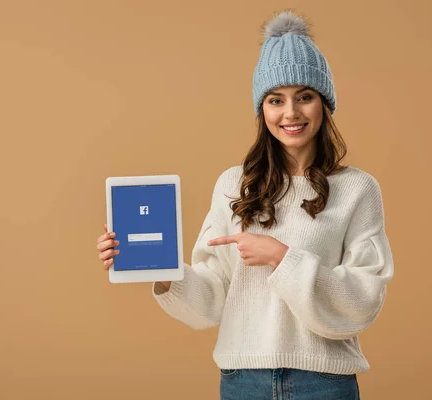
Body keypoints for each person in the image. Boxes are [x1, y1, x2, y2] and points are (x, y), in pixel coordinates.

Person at [97, 9, 394, 400]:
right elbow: (213, 297)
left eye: (304, 96)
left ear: (324, 103)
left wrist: (281, 257)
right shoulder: (232, 185)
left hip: (323, 383)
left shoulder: (357, 189)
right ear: (262, 109)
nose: (290, 113)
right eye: (276, 100)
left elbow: (363, 300)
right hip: (243, 382)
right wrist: (162, 271)